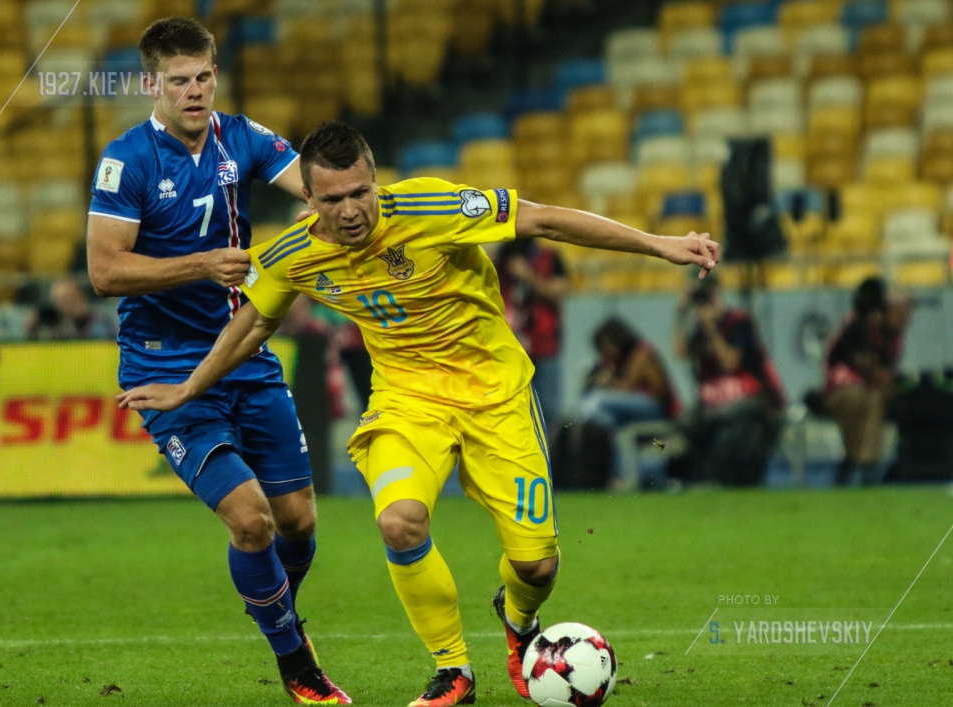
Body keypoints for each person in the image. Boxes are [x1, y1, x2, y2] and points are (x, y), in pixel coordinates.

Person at [116, 120, 720, 706]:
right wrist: (189, 388)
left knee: (537, 566)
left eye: (360, 193)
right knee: (399, 522)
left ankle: (517, 619)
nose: (351, 211)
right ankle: (452, 670)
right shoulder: (293, 254)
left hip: (495, 394)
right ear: (308, 198)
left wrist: (659, 245)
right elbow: (253, 323)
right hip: (408, 403)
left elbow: (542, 218)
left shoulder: (431, 207)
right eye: (333, 200)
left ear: (376, 182)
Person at [85, 18, 350, 704]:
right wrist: (201, 264)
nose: (195, 91)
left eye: (204, 76)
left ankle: (273, 609)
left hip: (246, 355)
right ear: (151, 84)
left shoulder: (242, 137)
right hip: (165, 367)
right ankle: (296, 661)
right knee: (251, 519)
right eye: (179, 81)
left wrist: (339, 213)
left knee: (299, 523)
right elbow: (105, 271)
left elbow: (314, 185)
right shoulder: (126, 160)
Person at [672, 275, 784, 486]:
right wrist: (681, 314)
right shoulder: (699, 327)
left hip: (749, 399)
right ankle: (699, 475)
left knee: (727, 423)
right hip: (714, 402)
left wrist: (711, 329)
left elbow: (730, 363)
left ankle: (718, 477)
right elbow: (681, 352)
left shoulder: (738, 321)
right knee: (686, 424)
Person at [823, 277, 910, 485]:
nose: (905, 318)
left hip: (865, 392)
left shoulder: (891, 337)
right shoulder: (857, 326)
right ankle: (867, 466)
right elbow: (868, 370)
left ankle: (854, 464)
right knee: (871, 399)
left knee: (881, 398)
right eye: (899, 311)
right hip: (842, 392)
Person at [577, 316, 680, 487]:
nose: (604, 352)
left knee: (596, 402)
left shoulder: (641, 352)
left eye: (605, 346)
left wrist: (607, 382)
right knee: (605, 420)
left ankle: (620, 474)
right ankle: (622, 476)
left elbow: (633, 388)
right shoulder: (614, 361)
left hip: (655, 408)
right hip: (630, 414)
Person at [493, 238, 569, 428]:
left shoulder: (549, 257)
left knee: (548, 411)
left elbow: (559, 292)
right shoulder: (501, 258)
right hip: (507, 348)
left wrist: (527, 276)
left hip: (543, 347)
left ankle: (550, 448)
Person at [25, 276, 117, 340]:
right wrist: (32, 330)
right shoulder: (62, 326)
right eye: (58, 302)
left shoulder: (100, 324)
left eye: (67, 299)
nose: (63, 306)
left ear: (82, 297)